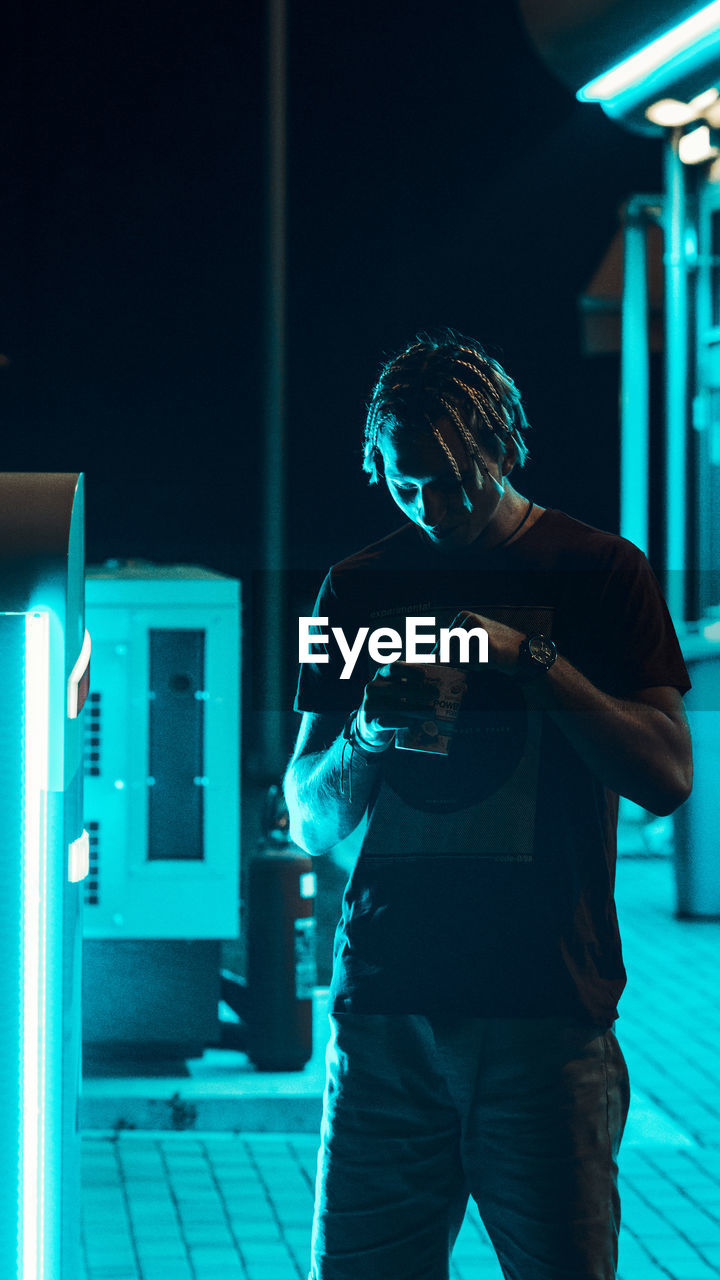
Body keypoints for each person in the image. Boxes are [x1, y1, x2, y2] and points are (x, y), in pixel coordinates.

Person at [283, 329, 693, 1280]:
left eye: (454, 477)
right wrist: (363, 737)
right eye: (405, 481)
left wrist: (530, 661)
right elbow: (308, 818)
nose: (433, 506)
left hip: (547, 1011)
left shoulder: (600, 574)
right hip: (388, 1011)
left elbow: (668, 775)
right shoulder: (357, 589)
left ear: (503, 445)